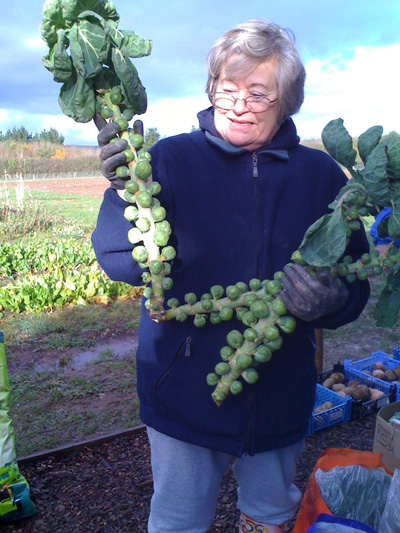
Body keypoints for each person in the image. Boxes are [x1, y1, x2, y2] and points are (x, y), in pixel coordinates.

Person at [91, 19, 370, 533]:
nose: (239, 103)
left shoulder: (323, 178)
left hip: (279, 392)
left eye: (258, 93)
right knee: (178, 520)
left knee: (270, 515)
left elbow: (356, 288)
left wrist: (329, 299)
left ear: (286, 100)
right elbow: (119, 259)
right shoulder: (168, 161)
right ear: (212, 88)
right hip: (184, 394)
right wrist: (124, 193)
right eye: (228, 88)